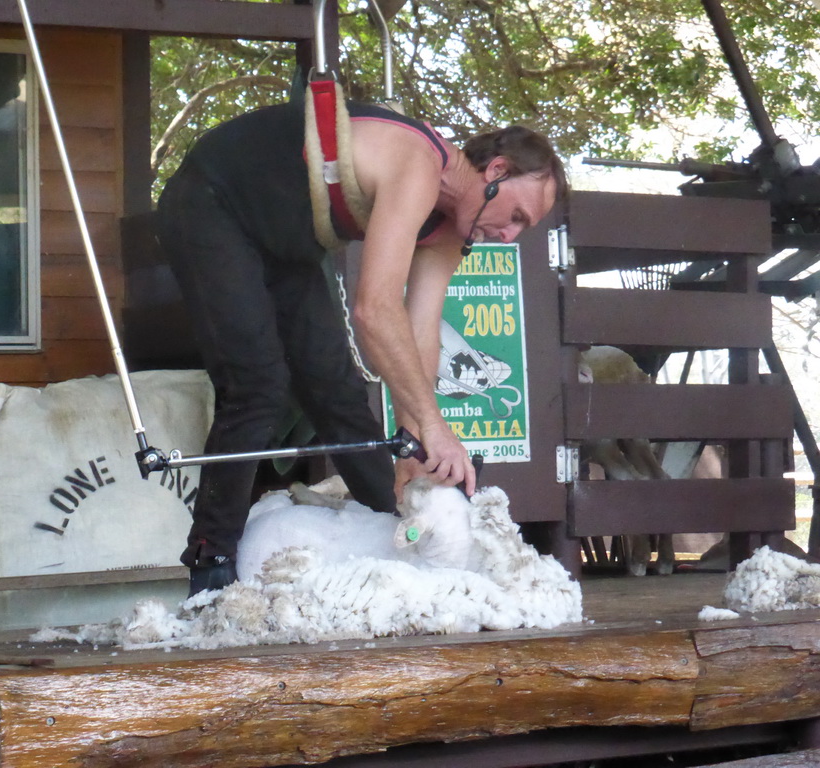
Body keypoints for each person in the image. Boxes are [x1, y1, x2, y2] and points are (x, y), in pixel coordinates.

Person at [157, 96, 567, 596]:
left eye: (523, 230)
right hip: (211, 201)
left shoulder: (448, 233)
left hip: (287, 242)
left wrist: (417, 442)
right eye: (517, 217)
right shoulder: (419, 166)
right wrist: (434, 430)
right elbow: (374, 311)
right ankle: (211, 561)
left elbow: (420, 337)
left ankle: (394, 534)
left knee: (338, 393)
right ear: (496, 171)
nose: (509, 235)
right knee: (258, 385)